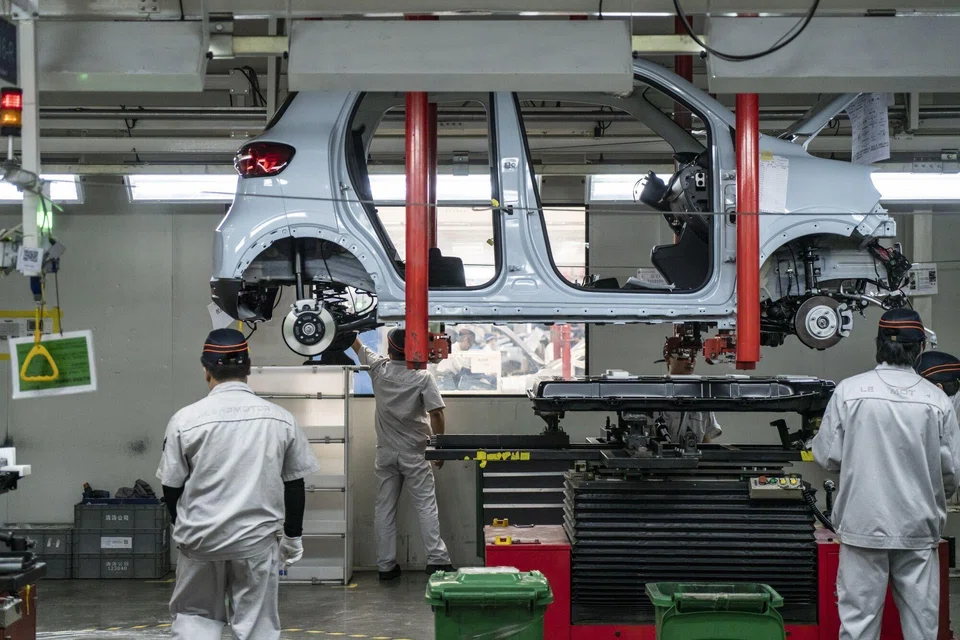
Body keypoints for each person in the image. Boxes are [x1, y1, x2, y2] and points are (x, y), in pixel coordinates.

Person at [158, 329, 321, 640]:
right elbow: (294, 484)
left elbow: (171, 486)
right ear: (248, 368)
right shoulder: (281, 419)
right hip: (255, 544)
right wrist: (293, 538)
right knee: (257, 626)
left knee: (195, 619)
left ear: (205, 369)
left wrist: (182, 524)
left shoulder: (184, 420)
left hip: (199, 542)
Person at [812, 309, 960, 640]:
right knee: (921, 627)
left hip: (863, 526)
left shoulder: (850, 392)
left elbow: (826, 455)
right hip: (918, 529)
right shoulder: (936, 400)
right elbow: (950, 472)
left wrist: (858, 462)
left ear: (878, 344)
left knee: (858, 623)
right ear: (919, 348)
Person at [351, 329, 455, 580]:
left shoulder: (378, 368)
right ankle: (437, 561)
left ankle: (385, 566)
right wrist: (438, 447)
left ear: (389, 349)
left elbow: (356, 346)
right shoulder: (422, 377)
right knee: (425, 506)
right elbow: (437, 413)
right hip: (416, 453)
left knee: (384, 508)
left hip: (385, 452)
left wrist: (340, 321)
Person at [658, 336, 722, 444]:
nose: (690, 361)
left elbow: (707, 437)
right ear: (668, 358)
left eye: (694, 355)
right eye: (683, 354)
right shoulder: (655, 393)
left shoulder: (702, 394)